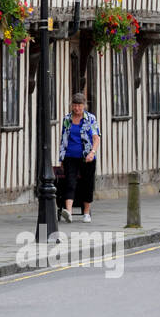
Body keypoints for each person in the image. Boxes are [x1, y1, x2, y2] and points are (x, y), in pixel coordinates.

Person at [58, 93, 100, 222]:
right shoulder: (67, 119)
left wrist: (92, 152)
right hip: (70, 156)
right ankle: (68, 212)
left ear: (84, 106)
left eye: (79, 106)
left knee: (87, 184)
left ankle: (86, 213)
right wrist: (61, 158)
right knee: (70, 183)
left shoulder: (90, 118)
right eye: (75, 105)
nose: (77, 108)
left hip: (87, 157)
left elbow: (96, 138)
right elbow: (63, 138)